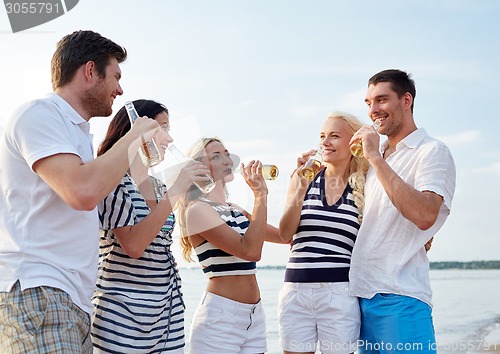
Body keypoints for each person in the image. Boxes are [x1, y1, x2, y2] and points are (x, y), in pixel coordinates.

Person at [0, 30, 159, 353]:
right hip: (40, 291)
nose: (120, 89)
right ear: (89, 71)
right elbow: (83, 192)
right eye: (115, 76)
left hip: (71, 301)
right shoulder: (40, 114)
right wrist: (134, 135)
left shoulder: (77, 135)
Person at [348, 69, 456, 353]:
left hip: (401, 297)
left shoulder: (432, 151)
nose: (373, 110)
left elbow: (424, 215)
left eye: (382, 100)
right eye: (369, 102)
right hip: (361, 296)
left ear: (406, 100)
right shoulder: (376, 159)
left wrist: (374, 158)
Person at [91, 100, 211, 352]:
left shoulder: (160, 187)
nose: (169, 138)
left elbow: (160, 246)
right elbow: (134, 245)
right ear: (138, 130)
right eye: (163, 128)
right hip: (121, 316)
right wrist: (177, 189)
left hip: (167, 315)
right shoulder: (114, 182)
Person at [176, 137, 285, 354]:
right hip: (220, 318)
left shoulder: (235, 209)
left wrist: (301, 186)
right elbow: (250, 251)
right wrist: (260, 196)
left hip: (254, 315)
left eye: (226, 153)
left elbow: (284, 236)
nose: (227, 160)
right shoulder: (197, 210)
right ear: (199, 168)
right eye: (215, 156)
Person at [278, 112, 369, 354]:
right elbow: (286, 233)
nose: (325, 142)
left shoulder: (365, 184)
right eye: (322, 136)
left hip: (339, 293)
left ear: (354, 143)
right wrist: (300, 188)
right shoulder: (303, 177)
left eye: (335, 136)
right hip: (295, 292)